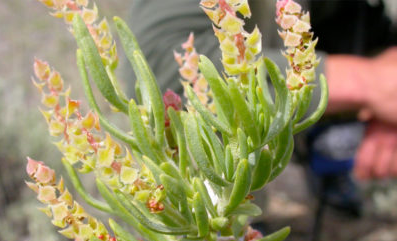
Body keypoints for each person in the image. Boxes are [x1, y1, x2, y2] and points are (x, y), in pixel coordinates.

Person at [127, 0, 397, 212]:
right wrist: (369, 85)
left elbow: (362, 22)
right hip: (197, 187)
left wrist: (385, 102)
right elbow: (160, 68)